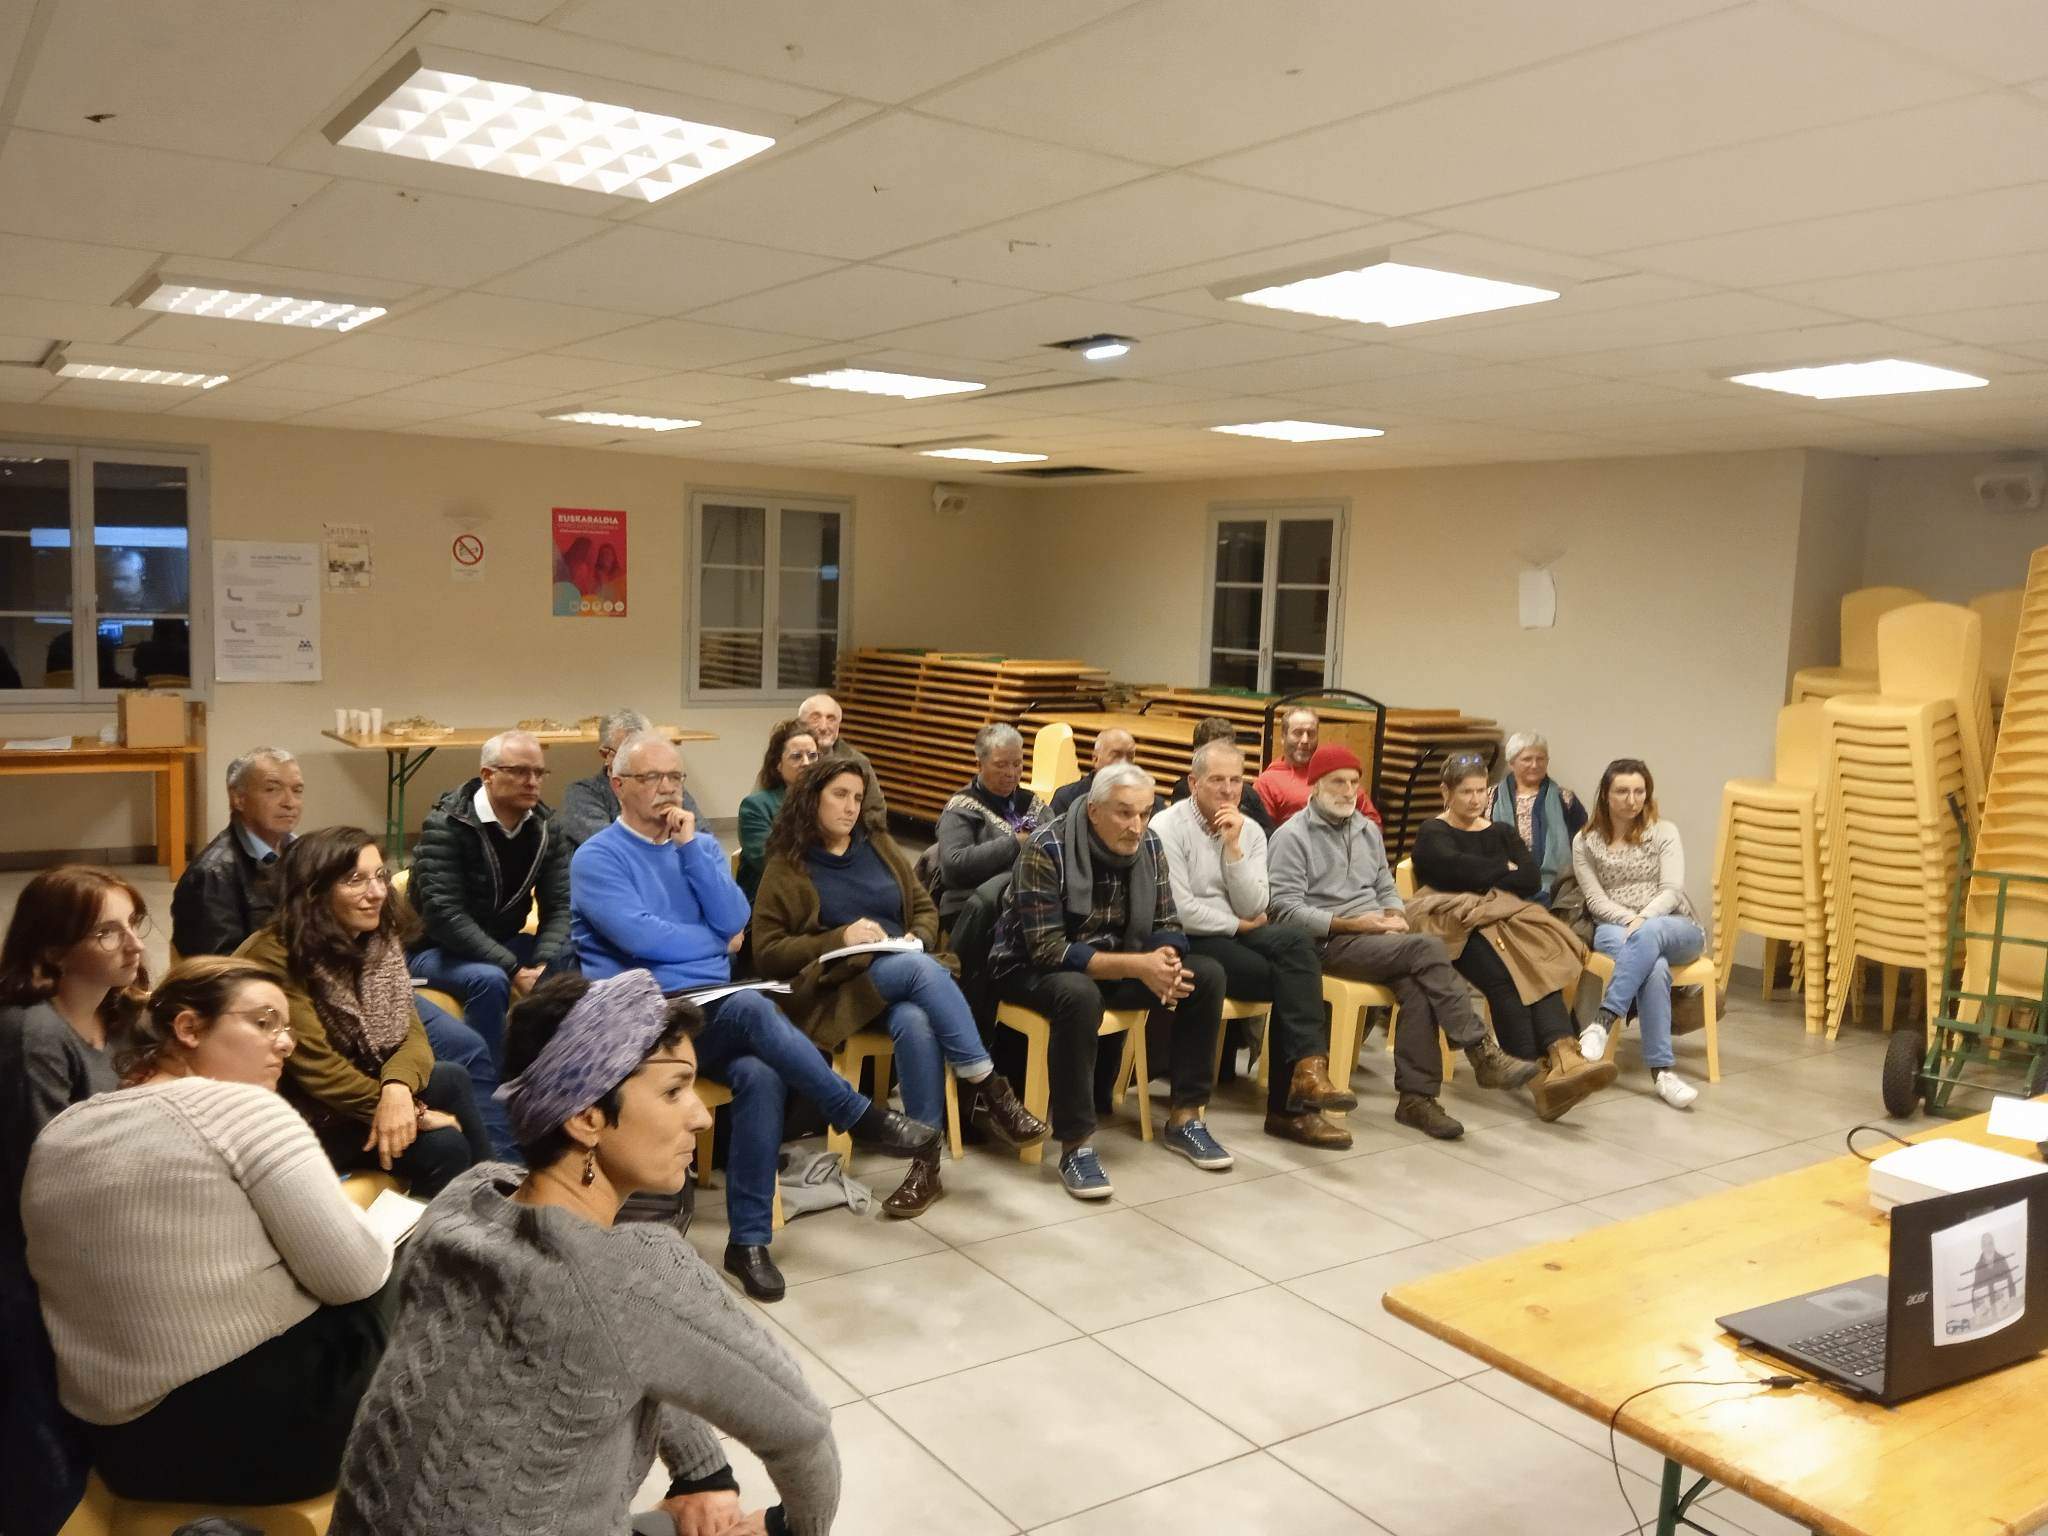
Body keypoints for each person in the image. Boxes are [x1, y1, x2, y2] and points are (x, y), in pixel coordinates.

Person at [329, 971, 841, 1536]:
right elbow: (805, 1435)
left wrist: (703, 1473)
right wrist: (790, 1529)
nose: (700, 1116)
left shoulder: (461, 1203)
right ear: (586, 1117)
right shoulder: (630, 1272)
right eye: (674, 1091)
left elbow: (634, 1339)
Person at [570, 732, 935, 1302]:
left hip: (707, 1008)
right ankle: (855, 1113)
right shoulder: (597, 857)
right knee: (747, 1004)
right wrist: (710, 941)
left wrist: (692, 854)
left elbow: (735, 917)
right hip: (640, 1019)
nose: (668, 788)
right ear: (618, 785)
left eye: (675, 777)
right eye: (652, 778)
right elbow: (641, 937)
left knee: (760, 1073)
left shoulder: (698, 845)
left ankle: (748, 1241)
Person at [22, 958, 393, 1507]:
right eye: (264, 1022)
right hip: (271, 1441)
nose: (285, 1043)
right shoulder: (243, 1108)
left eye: (287, 1027)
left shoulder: (60, 1132)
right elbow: (353, 1276)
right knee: (413, 1258)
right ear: (189, 1028)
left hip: (123, 1454)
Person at [753, 759, 1049, 1217]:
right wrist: (840, 938)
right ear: (811, 799)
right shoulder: (787, 865)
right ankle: (989, 1086)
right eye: (839, 795)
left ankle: (925, 1166)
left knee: (915, 1017)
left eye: (857, 797)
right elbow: (768, 952)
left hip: (903, 973)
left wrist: (920, 937)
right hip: (838, 987)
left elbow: (925, 908)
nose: (851, 807)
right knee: (917, 971)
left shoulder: (878, 845)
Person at [1268, 746, 1540, 1141]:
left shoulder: (1366, 830)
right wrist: (1353, 923)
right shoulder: (1291, 836)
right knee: (1427, 948)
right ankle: (1479, 1049)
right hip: (1326, 942)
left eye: (1354, 782)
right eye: (1337, 782)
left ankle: (1417, 1099)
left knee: (1418, 985)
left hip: (1377, 938)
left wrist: (1395, 915)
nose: (1348, 791)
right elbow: (1283, 910)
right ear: (1315, 785)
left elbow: (1384, 884)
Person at [991, 762, 1232, 1200]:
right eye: (1124, 813)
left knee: (1207, 976)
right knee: (1078, 995)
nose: (1136, 826)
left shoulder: (1150, 844)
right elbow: (1048, 950)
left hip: (1119, 961)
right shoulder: (1047, 847)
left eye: (1144, 813)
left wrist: (1166, 958)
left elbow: (1167, 921)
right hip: (1028, 967)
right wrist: (1139, 966)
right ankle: (1076, 1144)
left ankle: (1186, 1117)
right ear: (1093, 811)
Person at [0, 867, 149, 1536]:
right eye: (107, 932)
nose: (133, 944)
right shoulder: (32, 1034)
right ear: (54, 950)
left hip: (96, 1228)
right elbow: (41, 1179)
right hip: (29, 1251)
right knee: (40, 1438)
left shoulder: (120, 1017)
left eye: (133, 924)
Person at [237, 826, 490, 1195]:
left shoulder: (376, 942)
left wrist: (398, 1088)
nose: (377, 893)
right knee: (445, 1146)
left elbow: (412, 1033)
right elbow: (317, 1069)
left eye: (380, 876)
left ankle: (498, 1194)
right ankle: (457, 1221)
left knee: (451, 1076)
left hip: (347, 1094)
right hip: (296, 1113)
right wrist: (412, 1111)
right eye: (355, 880)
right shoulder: (275, 956)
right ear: (314, 890)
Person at [1152, 738, 1354, 1150]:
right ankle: (1289, 1110)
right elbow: (1180, 909)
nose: (1229, 790)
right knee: (1292, 981)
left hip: (1237, 928)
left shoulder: (1252, 831)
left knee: (1297, 944)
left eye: (1236, 781)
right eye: (1217, 780)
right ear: (1193, 783)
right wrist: (1237, 925)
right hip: (1189, 936)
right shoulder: (1168, 826)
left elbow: (1256, 904)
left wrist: (1234, 849)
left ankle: (1308, 1072)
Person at [1409, 754, 1613, 1121]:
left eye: (1479, 791)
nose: (1475, 799)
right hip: (1451, 921)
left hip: (1501, 917)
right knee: (1503, 977)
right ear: (1446, 792)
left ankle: (1564, 1054)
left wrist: (1482, 875)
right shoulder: (1432, 832)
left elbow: (1530, 878)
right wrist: (1502, 869)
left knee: (1538, 964)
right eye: (1466, 792)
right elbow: (1446, 871)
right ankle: (1538, 1078)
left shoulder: (1500, 831)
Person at [406, 730, 576, 1071]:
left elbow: (560, 905)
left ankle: (555, 1070)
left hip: (504, 942)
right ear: (488, 775)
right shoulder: (447, 824)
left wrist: (542, 962)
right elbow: (445, 916)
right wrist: (513, 969)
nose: (532, 782)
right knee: (489, 979)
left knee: (573, 955)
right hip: (435, 950)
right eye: (520, 771)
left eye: (539, 772)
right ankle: (487, 1082)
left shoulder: (546, 827)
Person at [1573, 757, 1707, 1110]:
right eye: (1622, 791)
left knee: (1651, 936)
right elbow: (1595, 899)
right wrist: (1629, 919)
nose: (1632, 800)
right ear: (1605, 794)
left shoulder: (1664, 832)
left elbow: (1672, 890)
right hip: (1614, 927)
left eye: (1639, 791)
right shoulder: (1585, 841)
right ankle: (1663, 1073)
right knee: (1655, 967)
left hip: (1673, 924)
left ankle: (1602, 1021)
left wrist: (1644, 918)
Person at [171, 746, 304, 957]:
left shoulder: (305, 853)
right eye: (272, 789)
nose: (289, 802)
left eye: (297, 790)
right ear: (238, 798)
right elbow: (218, 967)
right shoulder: (212, 874)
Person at [933, 723, 1048, 921]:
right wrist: (1015, 843)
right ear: (979, 765)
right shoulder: (961, 807)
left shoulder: (1032, 803)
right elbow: (953, 865)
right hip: (975, 906)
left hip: (1032, 897)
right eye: (1001, 765)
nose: (1011, 773)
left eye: (1017, 764)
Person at [560, 710, 702, 850]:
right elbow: (610, 847)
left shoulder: (669, 787)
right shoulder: (582, 793)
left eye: (648, 752)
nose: (641, 762)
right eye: (627, 754)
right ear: (605, 755)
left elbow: (702, 839)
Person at [1490, 732, 1586, 908]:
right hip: (1502, 885)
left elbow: (1584, 842)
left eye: (1540, 759)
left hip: (1554, 889)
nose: (1535, 765)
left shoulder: (1565, 799)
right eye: (1527, 759)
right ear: (1511, 763)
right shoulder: (1490, 798)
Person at [1254, 708, 1382, 829]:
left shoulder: (1334, 772)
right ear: (1283, 737)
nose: (1305, 740)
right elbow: (1262, 833)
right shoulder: (1267, 782)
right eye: (1298, 733)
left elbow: (1373, 823)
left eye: (1311, 734)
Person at [737, 718, 820, 903]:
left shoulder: (827, 802)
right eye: (796, 756)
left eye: (812, 755)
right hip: (771, 898)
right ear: (778, 765)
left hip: (819, 891)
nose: (807, 763)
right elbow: (770, 862)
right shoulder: (756, 806)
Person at [1165, 718, 1274, 835]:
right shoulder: (1184, 789)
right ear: (1197, 754)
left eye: (1228, 750)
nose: (1228, 790)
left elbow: (1268, 834)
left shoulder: (1247, 793)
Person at [798, 692, 886, 821]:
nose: (823, 727)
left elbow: (875, 810)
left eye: (831, 719)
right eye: (815, 718)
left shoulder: (857, 762)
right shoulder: (789, 759)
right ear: (800, 723)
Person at [1048, 727, 1143, 817]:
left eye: (1130, 757)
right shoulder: (1067, 798)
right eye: (1116, 756)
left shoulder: (1143, 798)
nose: (1124, 763)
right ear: (1095, 759)